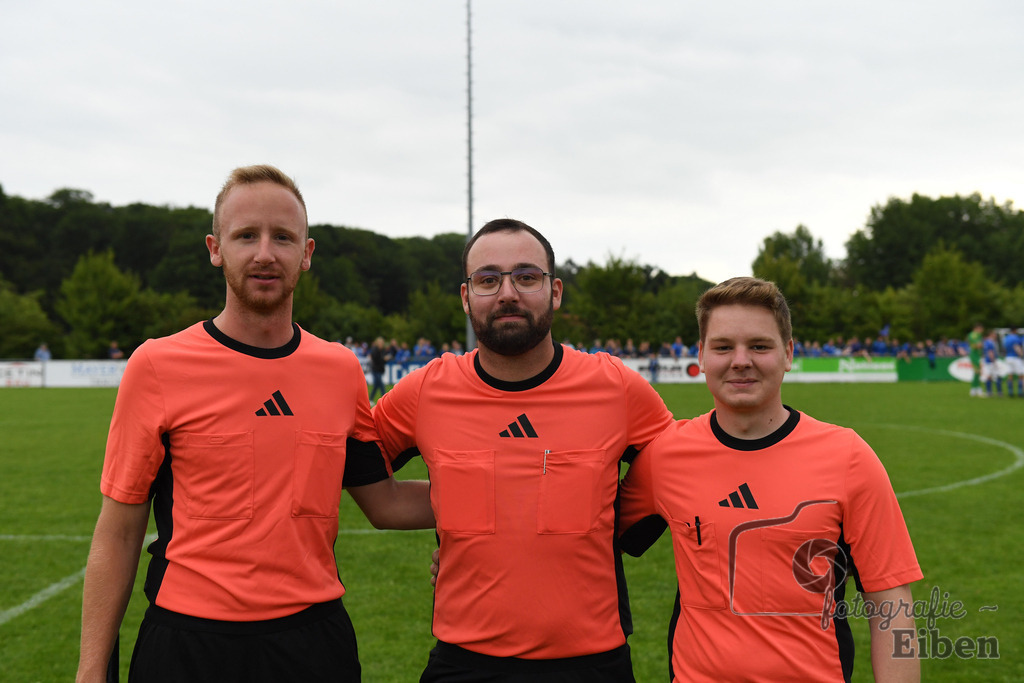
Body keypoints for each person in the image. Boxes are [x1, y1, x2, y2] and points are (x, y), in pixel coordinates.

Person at [75, 165, 434, 683]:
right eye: (246, 235)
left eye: (283, 237)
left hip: (313, 644)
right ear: (215, 247)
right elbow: (119, 530)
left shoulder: (340, 370)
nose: (265, 252)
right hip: (187, 644)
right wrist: (91, 672)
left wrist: (499, 492)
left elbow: (385, 502)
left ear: (306, 255)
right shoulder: (156, 366)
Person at [372, 218, 675, 682]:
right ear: (466, 297)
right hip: (465, 660)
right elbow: (364, 481)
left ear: (555, 292)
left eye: (526, 277)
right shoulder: (425, 391)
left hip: (591, 663)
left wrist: (612, 521)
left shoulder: (616, 387)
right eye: (488, 280)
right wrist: (455, 514)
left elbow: (686, 469)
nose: (507, 293)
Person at [619, 277, 922, 682]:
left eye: (759, 346)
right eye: (723, 346)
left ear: (788, 353)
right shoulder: (665, 455)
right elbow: (588, 543)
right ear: (702, 357)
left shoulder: (849, 457)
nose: (740, 360)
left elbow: (892, 602)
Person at [368, 336, 390, 403]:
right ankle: (385, 400)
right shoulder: (375, 350)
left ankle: (371, 399)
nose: (381, 344)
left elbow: (382, 360)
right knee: (381, 385)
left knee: (376, 386)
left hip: (380, 370)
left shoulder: (382, 350)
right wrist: (384, 359)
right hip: (376, 370)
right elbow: (376, 360)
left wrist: (385, 359)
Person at [981, 330, 1002, 397]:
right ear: (991, 334)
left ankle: (989, 392)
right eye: (994, 334)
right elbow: (990, 352)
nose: (995, 336)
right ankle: (999, 392)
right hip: (991, 361)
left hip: (987, 361)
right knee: (997, 376)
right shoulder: (991, 342)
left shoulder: (986, 342)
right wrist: (994, 361)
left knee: (989, 377)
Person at [1004, 328, 1023, 397]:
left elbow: (1005, 348)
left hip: (1008, 357)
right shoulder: (1016, 338)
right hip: (1015, 358)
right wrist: (1021, 354)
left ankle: (1010, 392)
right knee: (1021, 375)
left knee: (1010, 375)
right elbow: (1016, 347)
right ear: (1015, 330)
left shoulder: (1006, 338)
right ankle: (1020, 392)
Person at [967, 323, 984, 396]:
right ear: (977, 328)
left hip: (977, 355)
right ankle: (975, 389)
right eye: (981, 329)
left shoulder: (975, 335)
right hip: (974, 355)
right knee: (977, 371)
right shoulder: (974, 335)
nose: (982, 331)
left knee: (977, 372)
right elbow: (978, 345)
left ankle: (975, 389)